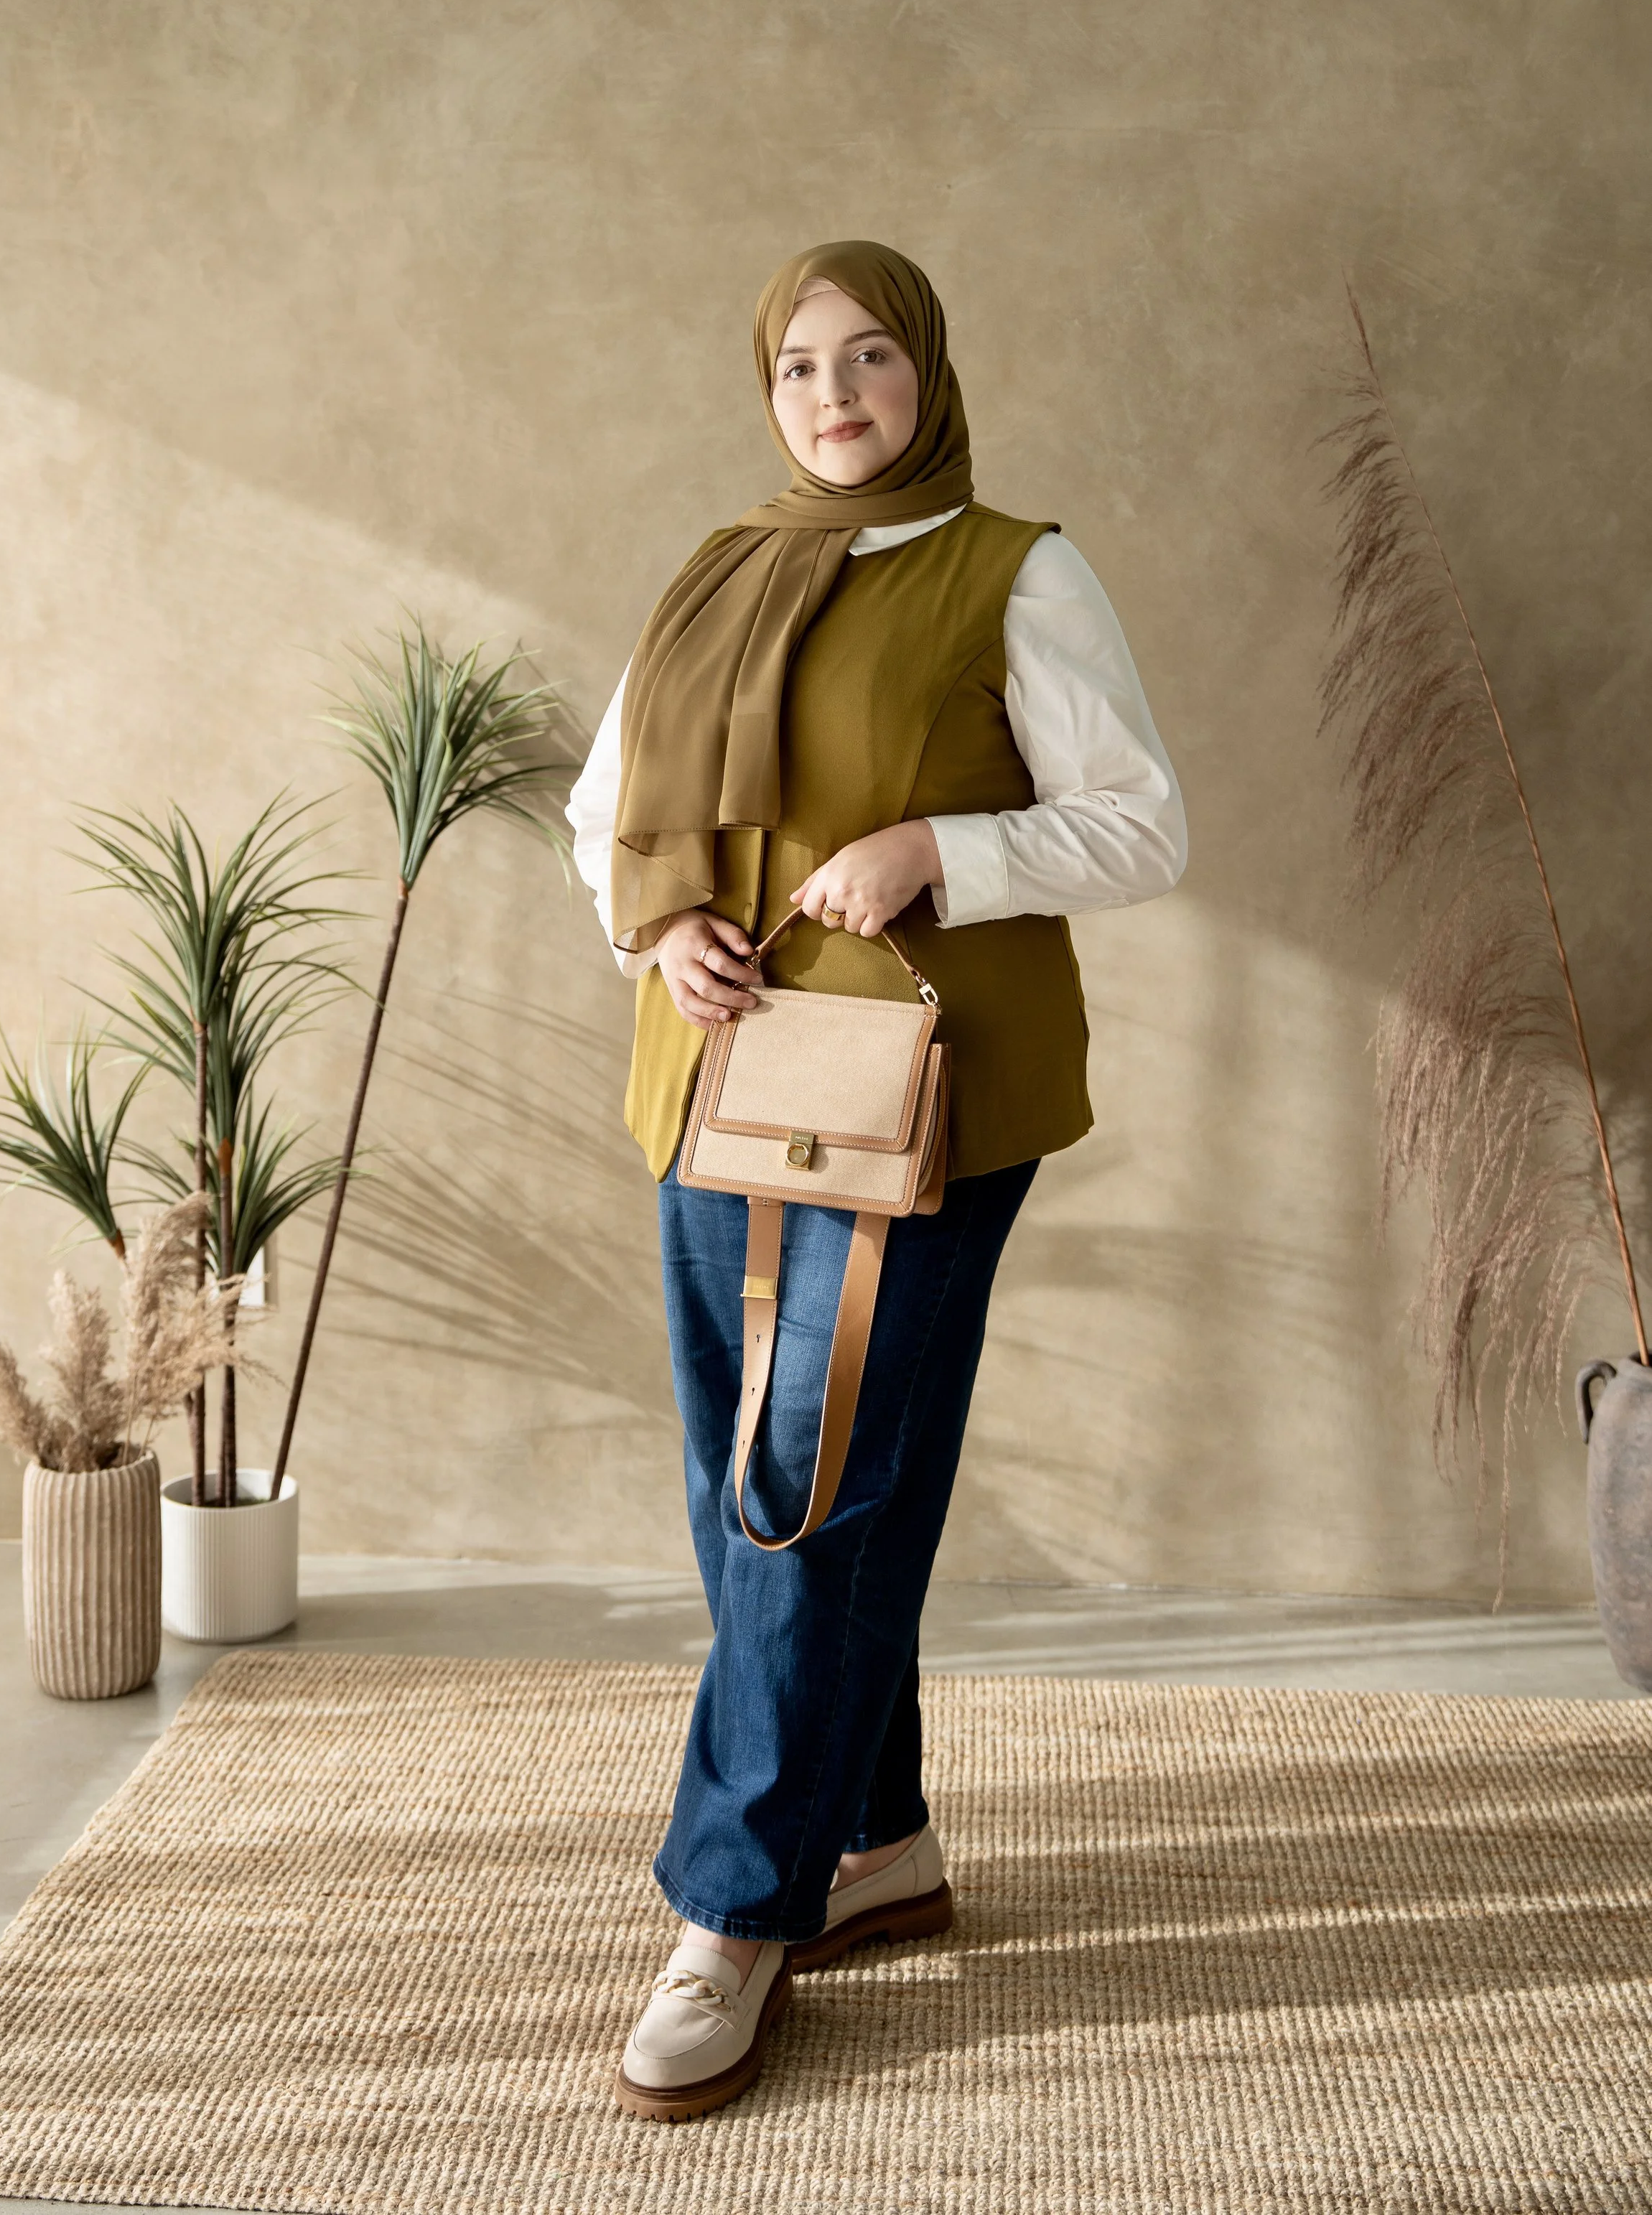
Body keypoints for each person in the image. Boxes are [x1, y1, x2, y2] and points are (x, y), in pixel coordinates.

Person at [565, 239, 1185, 2120]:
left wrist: (937, 846)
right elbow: (606, 814)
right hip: (714, 1080)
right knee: (747, 1471)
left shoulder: (1016, 567)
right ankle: (879, 1836)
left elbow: (1142, 825)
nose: (832, 397)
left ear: (926, 373)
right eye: (798, 368)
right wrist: (658, 927)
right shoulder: (715, 572)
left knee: (801, 1478)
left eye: (870, 358)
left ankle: (733, 1908)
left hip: (917, 1099)